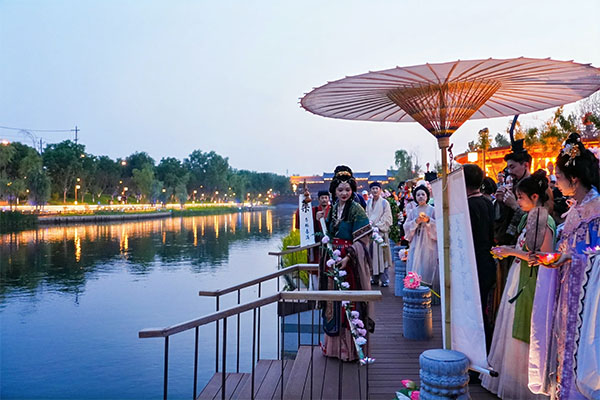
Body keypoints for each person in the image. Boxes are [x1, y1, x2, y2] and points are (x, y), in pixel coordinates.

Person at [529, 133, 600, 399]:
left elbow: (597, 252)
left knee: (583, 350)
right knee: (564, 344)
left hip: (588, 297)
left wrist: (571, 256)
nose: (555, 182)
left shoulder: (596, 210)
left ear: (574, 179)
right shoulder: (576, 208)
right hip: (568, 288)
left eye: (558, 177)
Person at [482, 170, 556, 400]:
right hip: (519, 275)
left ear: (534, 197)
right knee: (512, 326)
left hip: (533, 280)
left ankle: (525, 385)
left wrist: (510, 251)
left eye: (521, 197)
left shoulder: (544, 220)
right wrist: (510, 252)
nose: (518, 201)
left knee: (525, 329)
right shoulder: (530, 217)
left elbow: (543, 256)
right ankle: (513, 380)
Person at [317, 165, 374, 362]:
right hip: (333, 260)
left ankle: (349, 350)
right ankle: (333, 348)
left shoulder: (357, 209)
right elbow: (328, 234)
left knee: (348, 303)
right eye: (340, 189)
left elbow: (364, 240)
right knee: (333, 303)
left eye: (347, 189)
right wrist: (321, 219)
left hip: (349, 262)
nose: (344, 193)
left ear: (352, 190)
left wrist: (349, 257)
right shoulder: (333, 209)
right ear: (334, 191)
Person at [463, 164, 496, 352]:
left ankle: (476, 349)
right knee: (482, 307)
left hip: (473, 262)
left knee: (473, 311)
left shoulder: (467, 205)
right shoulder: (487, 202)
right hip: (486, 260)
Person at [403, 185, 438, 291]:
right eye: (418, 195)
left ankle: (429, 291)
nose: (421, 197)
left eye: (423, 194)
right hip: (416, 241)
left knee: (428, 264)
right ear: (415, 197)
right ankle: (415, 285)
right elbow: (406, 226)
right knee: (416, 263)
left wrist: (429, 221)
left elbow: (439, 226)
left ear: (427, 196)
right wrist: (415, 222)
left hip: (429, 242)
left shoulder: (433, 210)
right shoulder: (413, 212)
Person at [366, 181, 393, 287]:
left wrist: (377, 226)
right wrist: (369, 225)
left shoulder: (384, 203)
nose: (375, 190)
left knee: (382, 257)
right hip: (371, 234)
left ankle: (384, 279)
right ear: (370, 191)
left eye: (377, 188)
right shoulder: (368, 202)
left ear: (380, 190)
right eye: (373, 189)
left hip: (380, 233)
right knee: (372, 256)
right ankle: (374, 278)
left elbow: (387, 217)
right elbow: (366, 215)